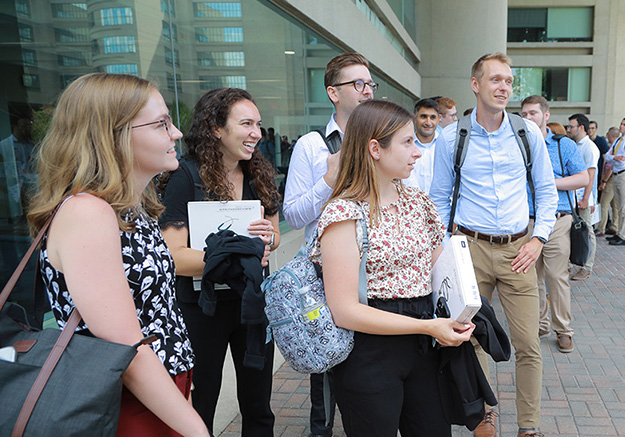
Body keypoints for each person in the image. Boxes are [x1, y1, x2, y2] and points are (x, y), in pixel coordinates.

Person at [26, 73, 209, 436]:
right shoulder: (87, 212)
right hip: (123, 403)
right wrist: (197, 429)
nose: (176, 134)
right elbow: (127, 348)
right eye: (161, 124)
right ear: (113, 135)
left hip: (157, 390)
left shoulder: (128, 208)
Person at [312, 99, 474, 436]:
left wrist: (463, 311)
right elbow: (344, 311)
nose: (417, 152)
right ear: (375, 148)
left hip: (425, 345)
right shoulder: (344, 214)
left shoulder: (418, 202)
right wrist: (428, 328)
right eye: (407, 142)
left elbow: (438, 271)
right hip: (369, 351)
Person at [430, 52, 558, 437]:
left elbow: (547, 193)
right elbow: (437, 198)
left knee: (528, 344)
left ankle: (529, 428)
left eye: (508, 81)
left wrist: (538, 239)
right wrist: (444, 248)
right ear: (476, 85)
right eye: (496, 80)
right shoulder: (452, 136)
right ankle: (484, 416)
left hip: (519, 250)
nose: (504, 88)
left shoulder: (526, 133)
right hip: (470, 250)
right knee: (471, 340)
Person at [159, 88, 280, 436]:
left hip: (252, 303)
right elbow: (175, 257)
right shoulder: (185, 177)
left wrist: (266, 240)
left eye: (258, 124)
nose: (256, 133)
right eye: (246, 123)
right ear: (216, 129)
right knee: (201, 405)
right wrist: (238, 257)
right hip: (201, 307)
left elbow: (272, 235)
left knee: (259, 405)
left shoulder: (259, 175)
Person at [282, 52, 375, 437]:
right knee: (325, 367)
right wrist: (327, 180)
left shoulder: (381, 141)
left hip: (373, 273)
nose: (368, 90)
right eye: (358, 84)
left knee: (368, 368)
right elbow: (293, 215)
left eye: (370, 84)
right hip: (322, 276)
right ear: (333, 93)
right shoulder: (312, 145)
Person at [521, 95, 587, 353]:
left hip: (557, 219)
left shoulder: (562, 145)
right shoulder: (517, 145)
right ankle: (540, 324)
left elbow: (582, 178)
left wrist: (548, 182)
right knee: (531, 277)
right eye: (524, 114)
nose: (528, 118)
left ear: (546, 115)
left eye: (533, 113)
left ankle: (564, 330)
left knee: (556, 276)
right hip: (526, 220)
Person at [566, 114, 600, 281]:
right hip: (574, 197)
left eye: (571, 126)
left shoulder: (589, 147)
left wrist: (586, 198)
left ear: (581, 128)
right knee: (572, 230)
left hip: (582, 198)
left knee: (587, 231)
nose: (568, 129)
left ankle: (587, 267)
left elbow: (591, 175)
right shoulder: (575, 145)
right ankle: (572, 264)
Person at [604, 117, 625, 246]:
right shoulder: (618, 139)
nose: (621, 127)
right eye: (621, 124)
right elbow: (607, 156)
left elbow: (623, 160)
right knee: (619, 206)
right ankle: (619, 233)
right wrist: (614, 157)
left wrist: (614, 158)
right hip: (616, 174)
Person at [405, 98, 440, 193]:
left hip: (442, 206)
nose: (428, 122)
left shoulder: (446, 145)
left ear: (439, 119)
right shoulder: (404, 145)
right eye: (423, 117)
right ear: (415, 118)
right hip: (412, 203)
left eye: (433, 117)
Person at [597, 127, 620, 237]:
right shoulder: (618, 146)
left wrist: (604, 181)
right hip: (616, 178)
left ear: (610, 135)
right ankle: (614, 226)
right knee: (614, 204)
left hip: (610, 178)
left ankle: (601, 228)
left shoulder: (614, 148)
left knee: (603, 204)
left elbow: (610, 166)